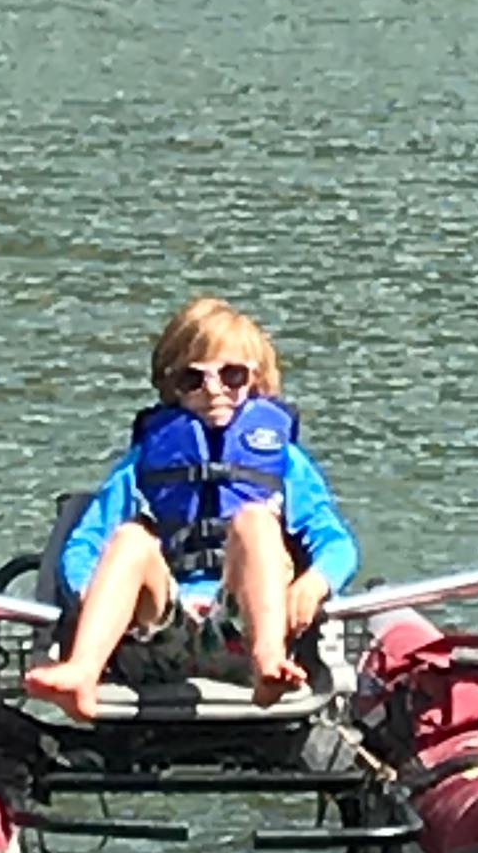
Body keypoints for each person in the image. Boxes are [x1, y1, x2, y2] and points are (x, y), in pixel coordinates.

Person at [24, 297, 358, 719]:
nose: (214, 390)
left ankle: (268, 664)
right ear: (172, 388)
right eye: (193, 379)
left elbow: (337, 543)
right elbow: (85, 542)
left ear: (255, 381)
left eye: (231, 375)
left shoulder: (286, 464)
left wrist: (314, 583)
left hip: (241, 633)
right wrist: (89, 593)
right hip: (157, 634)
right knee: (130, 537)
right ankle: (81, 675)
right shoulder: (145, 461)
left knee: (254, 520)